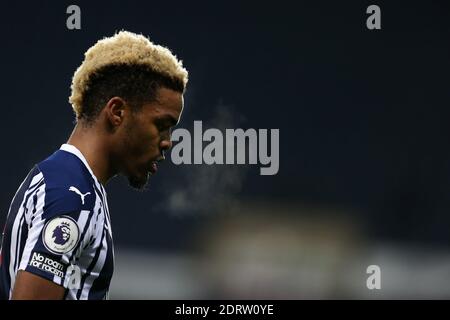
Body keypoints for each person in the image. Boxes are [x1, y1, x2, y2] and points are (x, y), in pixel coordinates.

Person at [0, 30, 188, 299]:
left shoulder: (63, 180)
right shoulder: (72, 196)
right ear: (117, 112)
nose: (167, 142)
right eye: (162, 125)